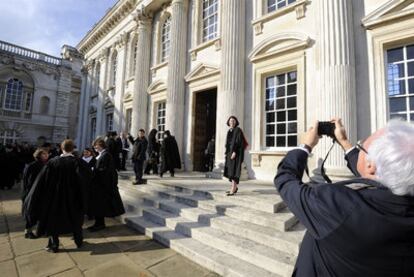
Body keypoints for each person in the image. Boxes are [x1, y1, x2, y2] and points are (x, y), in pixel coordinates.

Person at [274, 118, 414, 277]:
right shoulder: (401, 189)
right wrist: (344, 141)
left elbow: (286, 181)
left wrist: (305, 146)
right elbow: (373, 173)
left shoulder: (337, 205)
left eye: (361, 146)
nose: (359, 148)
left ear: (371, 165)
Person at [23, 139, 92, 253]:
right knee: (75, 218)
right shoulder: (79, 162)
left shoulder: (53, 162)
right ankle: (79, 241)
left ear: (61, 147)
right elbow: (87, 179)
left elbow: (42, 181)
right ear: (73, 148)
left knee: (53, 219)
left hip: (55, 197)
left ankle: (54, 245)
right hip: (73, 197)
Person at [88, 138, 125, 231]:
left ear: (100, 145)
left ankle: (99, 224)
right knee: (98, 206)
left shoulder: (106, 155)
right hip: (99, 185)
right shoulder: (102, 155)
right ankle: (98, 223)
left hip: (102, 186)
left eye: (95, 146)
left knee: (100, 206)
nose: (94, 148)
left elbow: (105, 171)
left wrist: (94, 171)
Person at [21, 147, 49, 239]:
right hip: (33, 193)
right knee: (32, 212)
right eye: (44, 154)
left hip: (41, 193)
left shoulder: (45, 164)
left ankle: (38, 230)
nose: (46, 155)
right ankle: (28, 231)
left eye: (46, 153)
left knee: (37, 212)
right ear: (39, 155)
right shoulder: (33, 166)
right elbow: (27, 181)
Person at [224, 116, 247, 196]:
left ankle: (233, 189)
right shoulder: (229, 131)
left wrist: (234, 152)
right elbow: (228, 143)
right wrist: (227, 153)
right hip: (229, 153)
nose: (232, 122)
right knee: (231, 170)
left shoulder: (238, 130)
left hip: (235, 153)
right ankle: (234, 187)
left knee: (234, 171)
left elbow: (239, 142)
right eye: (230, 121)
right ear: (228, 122)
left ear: (236, 122)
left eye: (233, 121)